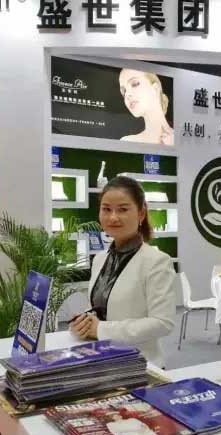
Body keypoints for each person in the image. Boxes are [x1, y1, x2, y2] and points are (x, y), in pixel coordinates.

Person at [70, 176, 176, 368]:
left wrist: (101, 329)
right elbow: (100, 308)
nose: (113, 217)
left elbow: (162, 322)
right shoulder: (100, 259)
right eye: (106, 209)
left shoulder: (156, 261)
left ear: (141, 213)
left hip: (139, 366)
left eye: (123, 209)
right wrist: (84, 322)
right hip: (100, 360)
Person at [119, 69, 173, 146]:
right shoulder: (128, 142)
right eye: (124, 91)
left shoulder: (181, 139)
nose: (127, 94)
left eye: (135, 84)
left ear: (155, 89)